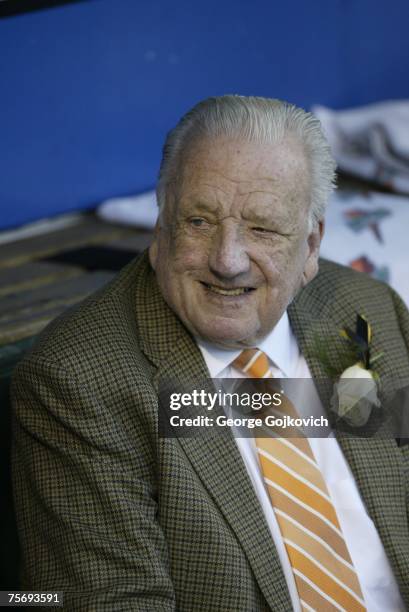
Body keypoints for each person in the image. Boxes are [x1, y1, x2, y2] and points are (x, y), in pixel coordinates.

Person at [11, 96, 409, 611]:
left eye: (263, 228)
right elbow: (110, 602)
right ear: (161, 226)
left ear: (311, 247)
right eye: (199, 221)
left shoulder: (362, 311)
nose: (228, 261)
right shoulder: (78, 383)